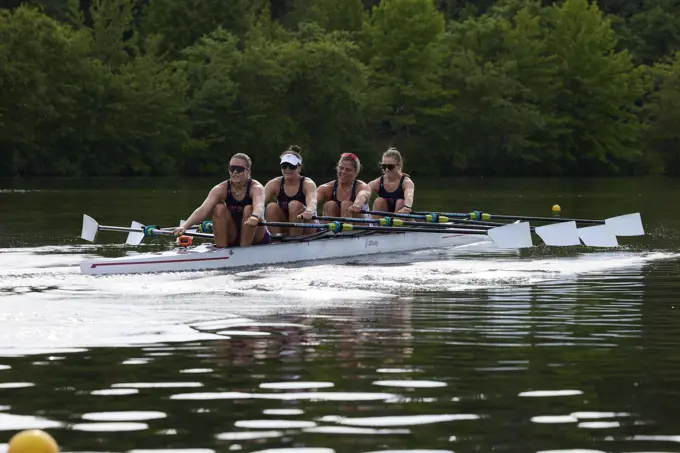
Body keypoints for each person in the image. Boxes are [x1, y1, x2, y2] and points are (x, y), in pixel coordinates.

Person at [172, 153, 270, 247]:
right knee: (218, 208)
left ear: (248, 171)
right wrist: (184, 226)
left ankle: (245, 248)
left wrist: (255, 216)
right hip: (233, 233)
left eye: (239, 169)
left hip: (256, 235)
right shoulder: (220, 189)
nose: (235, 172)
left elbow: (259, 206)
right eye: (232, 169)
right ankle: (221, 248)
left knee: (249, 209)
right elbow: (203, 210)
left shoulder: (256, 187)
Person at [264, 145, 318, 236]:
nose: (287, 169)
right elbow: (259, 203)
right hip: (287, 225)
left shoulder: (308, 184)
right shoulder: (274, 183)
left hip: (307, 226)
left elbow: (312, 202)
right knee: (270, 207)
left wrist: (309, 211)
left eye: (291, 166)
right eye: (284, 166)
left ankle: (294, 243)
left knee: (294, 205)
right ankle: (276, 242)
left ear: (299, 167)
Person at [317, 152, 371, 218]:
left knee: (346, 204)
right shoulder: (326, 188)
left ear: (356, 172)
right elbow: (312, 201)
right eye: (341, 168)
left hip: (360, 224)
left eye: (348, 170)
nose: (343, 172)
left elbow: (362, 195)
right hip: (337, 223)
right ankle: (330, 228)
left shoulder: (362, 187)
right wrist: (309, 209)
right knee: (330, 205)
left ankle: (346, 228)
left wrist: (357, 205)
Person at [368, 147, 415, 214]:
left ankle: (397, 222)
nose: (386, 170)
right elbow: (363, 192)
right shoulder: (377, 182)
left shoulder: (406, 182)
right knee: (379, 201)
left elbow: (409, 195)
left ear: (398, 166)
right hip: (382, 213)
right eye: (384, 166)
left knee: (401, 202)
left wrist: (407, 206)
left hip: (401, 211)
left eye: (390, 167)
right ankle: (377, 224)